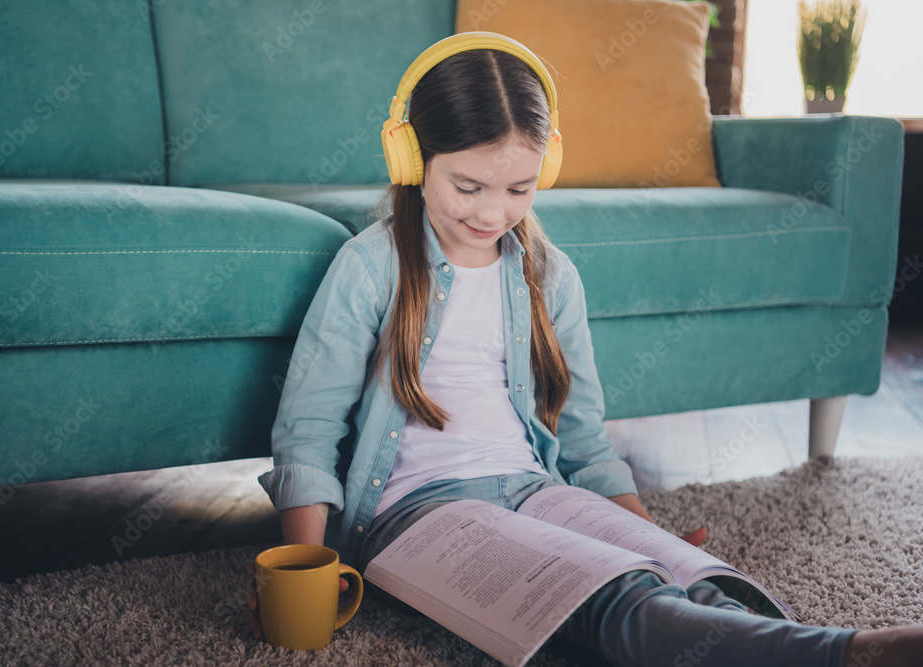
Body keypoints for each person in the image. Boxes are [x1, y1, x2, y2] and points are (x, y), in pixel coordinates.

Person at [247, 32, 923, 666]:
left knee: (679, 578)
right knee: (611, 602)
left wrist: (642, 530)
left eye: (519, 188)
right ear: (412, 158)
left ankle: (825, 644)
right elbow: (308, 427)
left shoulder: (550, 274)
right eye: (468, 187)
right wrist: (304, 564)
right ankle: (846, 653)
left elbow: (582, 440)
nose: (491, 214)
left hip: (534, 486)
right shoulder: (369, 268)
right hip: (420, 511)